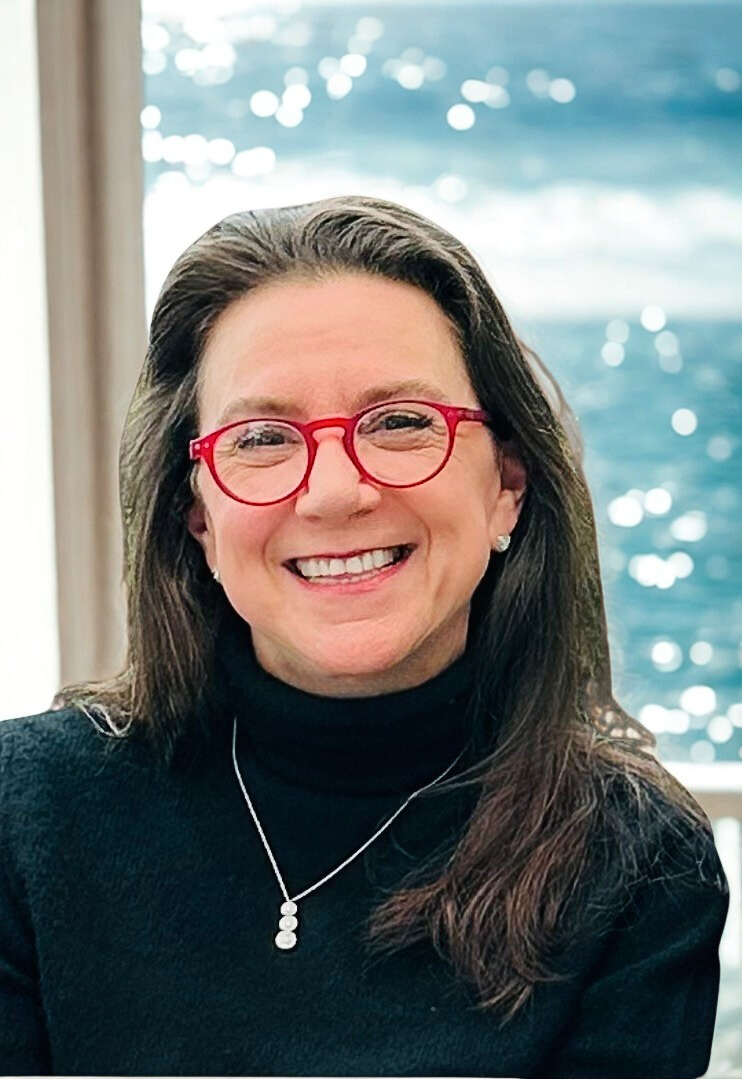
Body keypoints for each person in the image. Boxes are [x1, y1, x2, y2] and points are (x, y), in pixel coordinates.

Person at [0, 196, 728, 1078]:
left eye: (400, 423)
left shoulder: (638, 862)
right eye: (264, 437)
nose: (335, 492)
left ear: (506, 483)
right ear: (198, 515)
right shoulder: (21, 814)